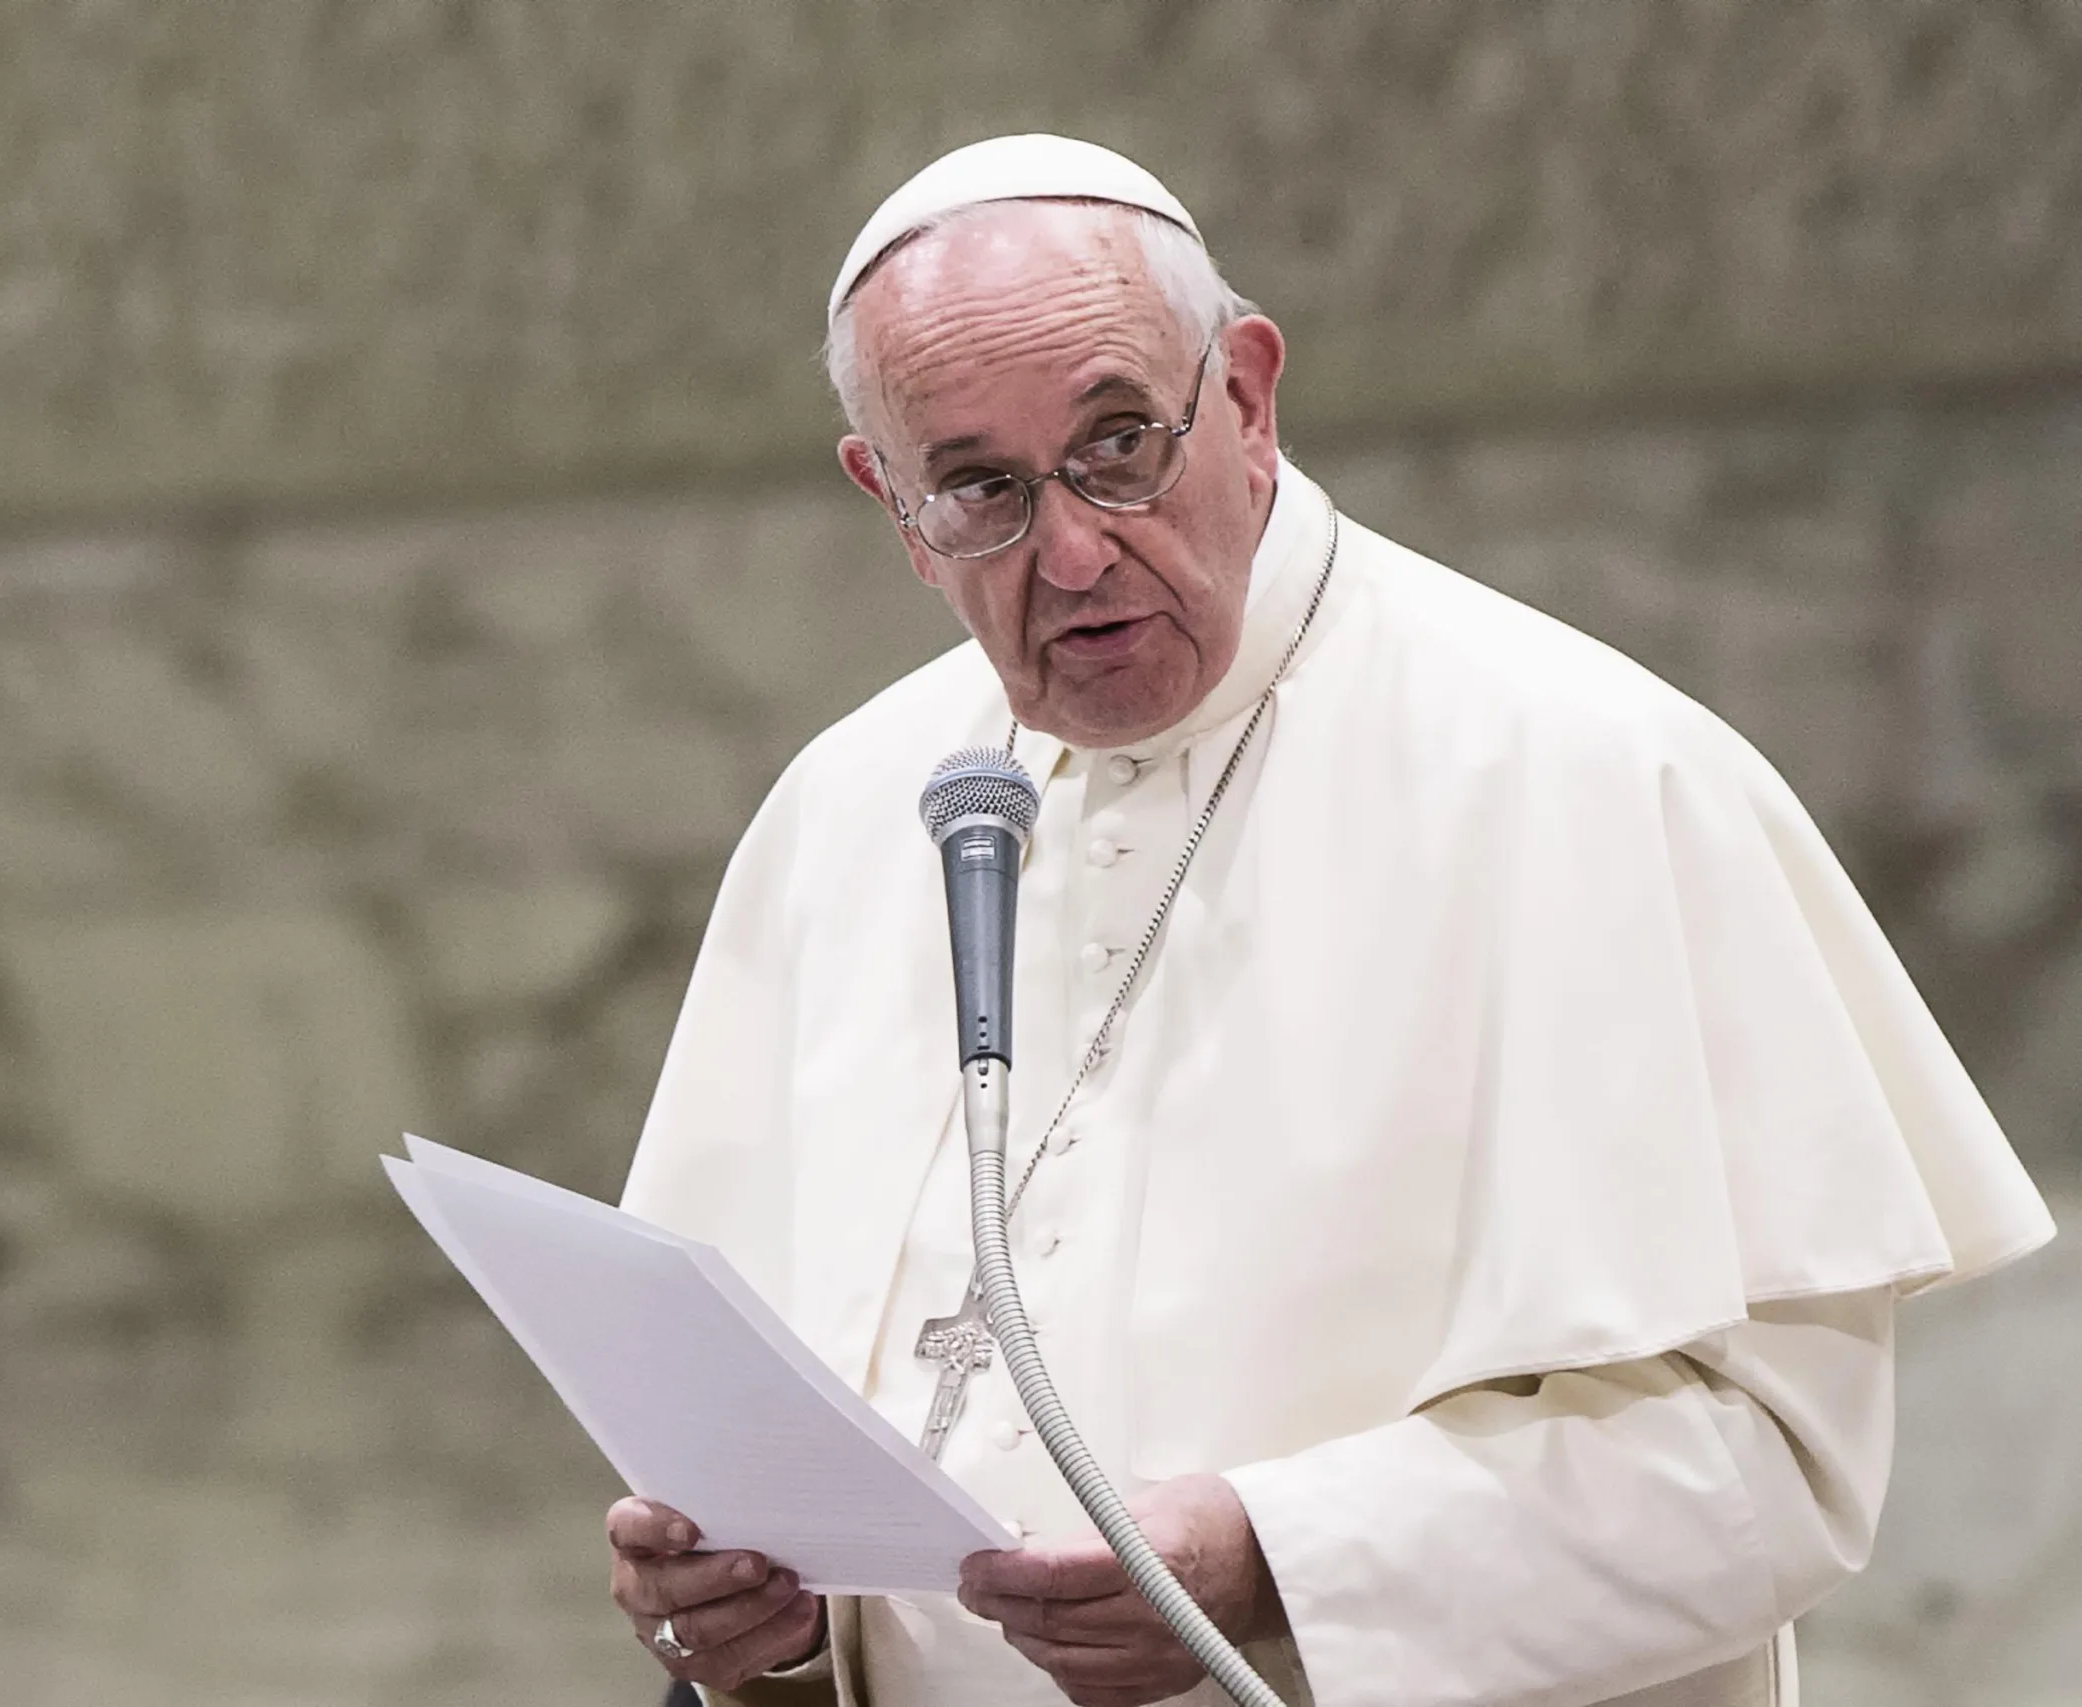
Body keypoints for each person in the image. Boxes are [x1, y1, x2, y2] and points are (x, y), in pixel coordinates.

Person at [603, 135, 2055, 1707]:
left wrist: (1278, 1558)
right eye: (980, 489)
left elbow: (1774, 1462)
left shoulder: (1581, 768)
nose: (1074, 553)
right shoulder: (851, 808)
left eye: (1118, 445)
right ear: (889, 500)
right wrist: (765, 1620)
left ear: (1246, 394)